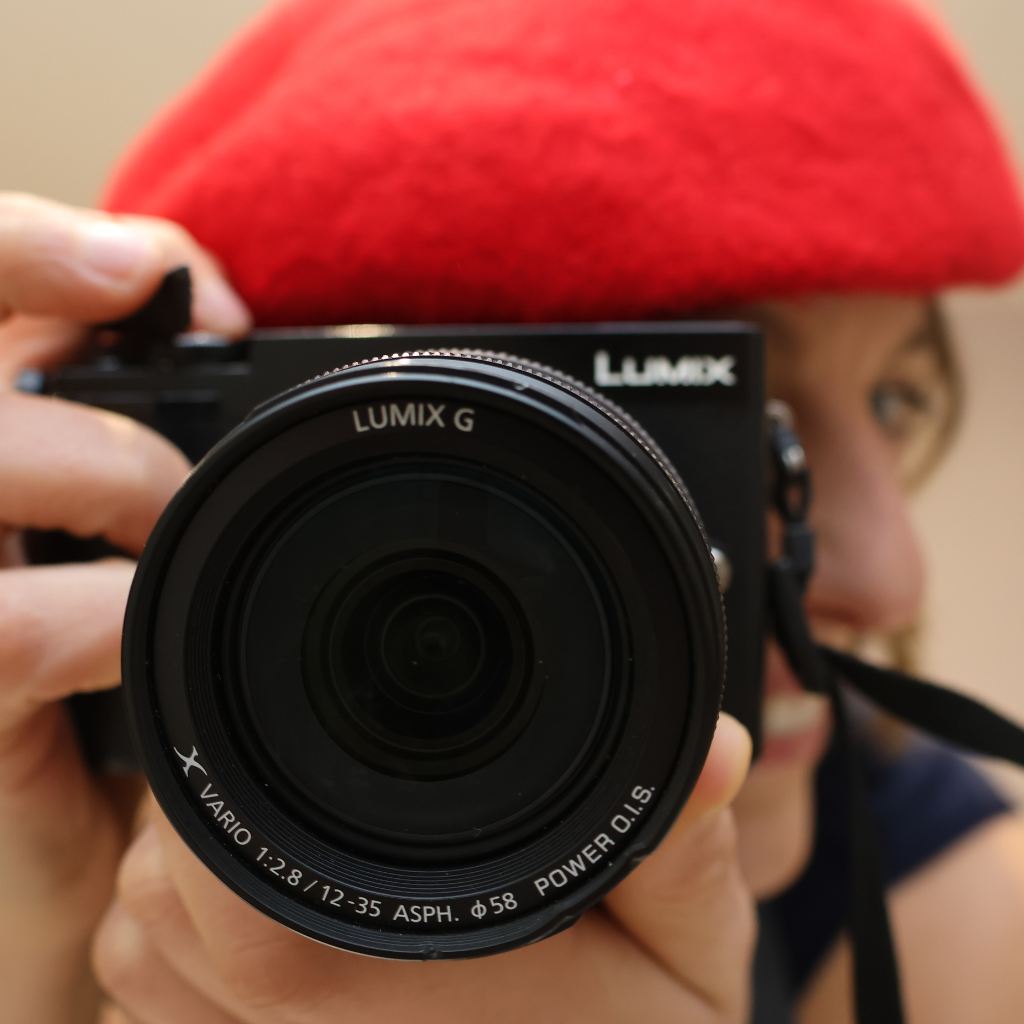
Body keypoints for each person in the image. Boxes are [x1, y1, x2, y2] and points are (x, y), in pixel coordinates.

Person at [2, 0, 1023, 1021]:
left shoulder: (963, 901)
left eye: (897, 400)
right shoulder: (57, 820)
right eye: (720, 423)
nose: (892, 578)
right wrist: (41, 957)